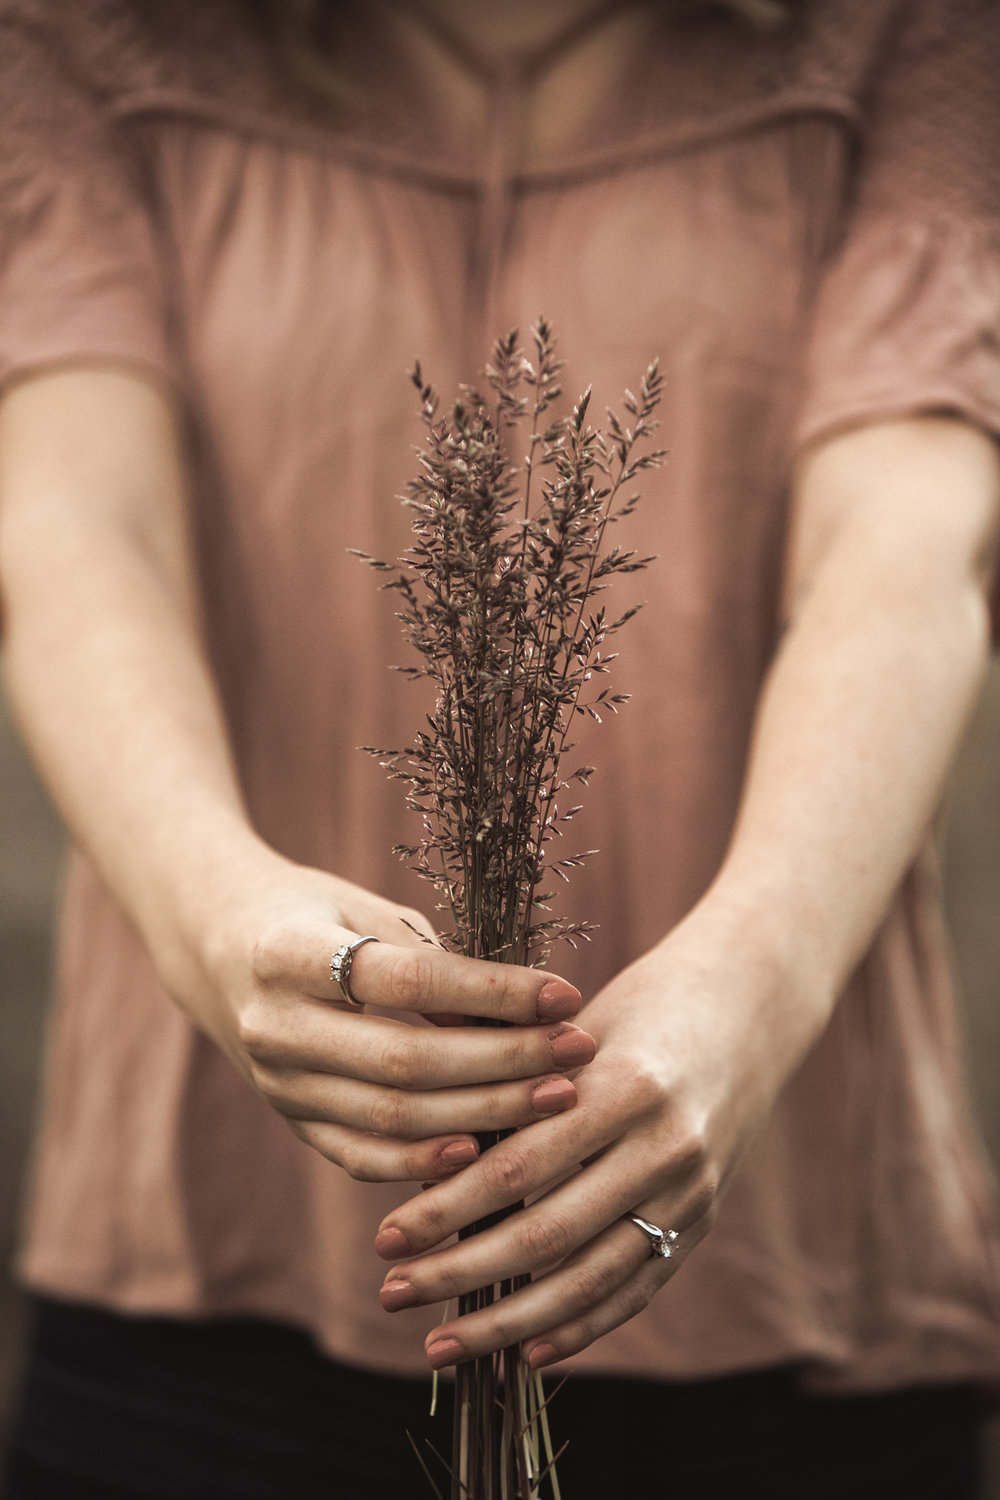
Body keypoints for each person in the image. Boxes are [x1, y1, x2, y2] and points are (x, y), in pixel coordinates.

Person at [1, 0, 999, 1495]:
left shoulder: (914, 33)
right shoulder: (78, 32)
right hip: (215, 1258)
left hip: (788, 1259)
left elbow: (909, 543)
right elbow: (77, 526)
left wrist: (751, 986)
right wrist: (215, 917)